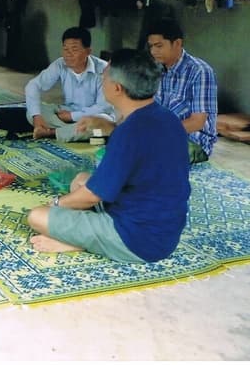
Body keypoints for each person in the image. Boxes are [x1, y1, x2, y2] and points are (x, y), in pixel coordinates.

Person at [27, 49, 191, 263]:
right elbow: (142, 148)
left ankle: (80, 242)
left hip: (136, 240)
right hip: (165, 231)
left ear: (117, 88)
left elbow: (92, 196)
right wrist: (108, 126)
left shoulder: (129, 133)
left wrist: (56, 204)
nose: (101, 81)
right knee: (81, 180)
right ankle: (89, 235)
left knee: (38, 216)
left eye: (103, 78)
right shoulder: (167, 118)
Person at [24, 27, 115, 142]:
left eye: (74, 49)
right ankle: (76, 133)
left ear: (88, 52)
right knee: (33, 111)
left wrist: (71, 116)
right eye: (65, 49)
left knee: (103, 122)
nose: (68, 54)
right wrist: (37, 117)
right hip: (66, 113)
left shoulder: (104, 69)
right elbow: (33, 85)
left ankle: (53, 132)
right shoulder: (60, 64)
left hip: (92, 116)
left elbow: (103, 107)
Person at [148, 17, 218, 163]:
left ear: (177, 43)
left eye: (159, 46)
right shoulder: (156, 69)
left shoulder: (199, 71)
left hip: (192, 141)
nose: (153, 51)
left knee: (150, 158)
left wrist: (159, 133)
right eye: (151, 46)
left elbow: (197, 122)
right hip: (161, 135)